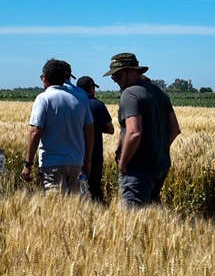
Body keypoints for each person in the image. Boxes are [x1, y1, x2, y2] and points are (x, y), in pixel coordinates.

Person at [104, 52, 181, 207]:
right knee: (152, 217)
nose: (116, 81)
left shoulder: (130, 94)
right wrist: (159, 149)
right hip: (160, 165)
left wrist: (123, 162)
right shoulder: (159, 92)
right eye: (113, 77)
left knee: (134, 220)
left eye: (118, 76)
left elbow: (133, 132)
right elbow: (175, 129)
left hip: (138, 169)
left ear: (132, 71)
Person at [21, 59, 93, 194]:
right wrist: (87, 161)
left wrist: (28, 163)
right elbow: (89, 131)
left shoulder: (44, 98)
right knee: (74, 210)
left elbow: (35, 132)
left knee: (57, 210)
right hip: (76, 163)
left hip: (52, 163)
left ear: (45, 79)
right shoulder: (80, 98)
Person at [77, 76, 115, 202]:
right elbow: (111, 129)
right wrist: (96, 129)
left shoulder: (74, 103)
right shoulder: (99, 105)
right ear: (91, 88)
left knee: (78, 189)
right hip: (95, 153)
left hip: (75, 154)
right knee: (95, 187)